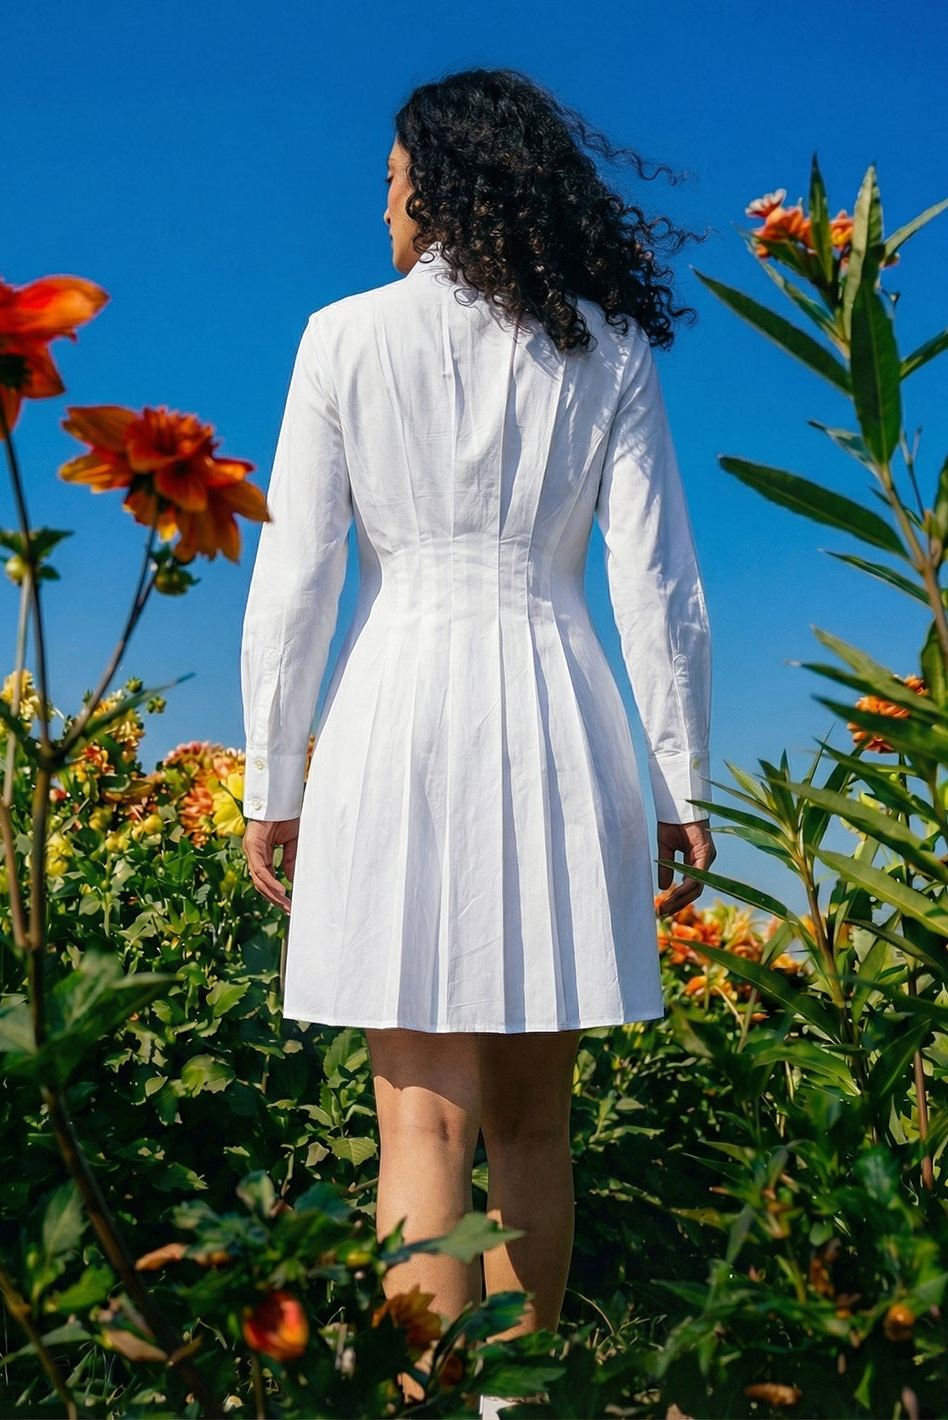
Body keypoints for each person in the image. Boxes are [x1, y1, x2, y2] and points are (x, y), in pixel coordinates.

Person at [241, 68, 714, 1411]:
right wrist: (684, 780)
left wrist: (273, 776)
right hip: (562, 719)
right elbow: (659, 588)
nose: (379, 201)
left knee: (419, 1118)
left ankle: (425, 1407)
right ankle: (519, 1405)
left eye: (392, 178)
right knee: (532, 1121)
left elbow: (296, 587)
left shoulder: (340, 336)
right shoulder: (608, 352)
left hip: (393, 718)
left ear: (436, 187)